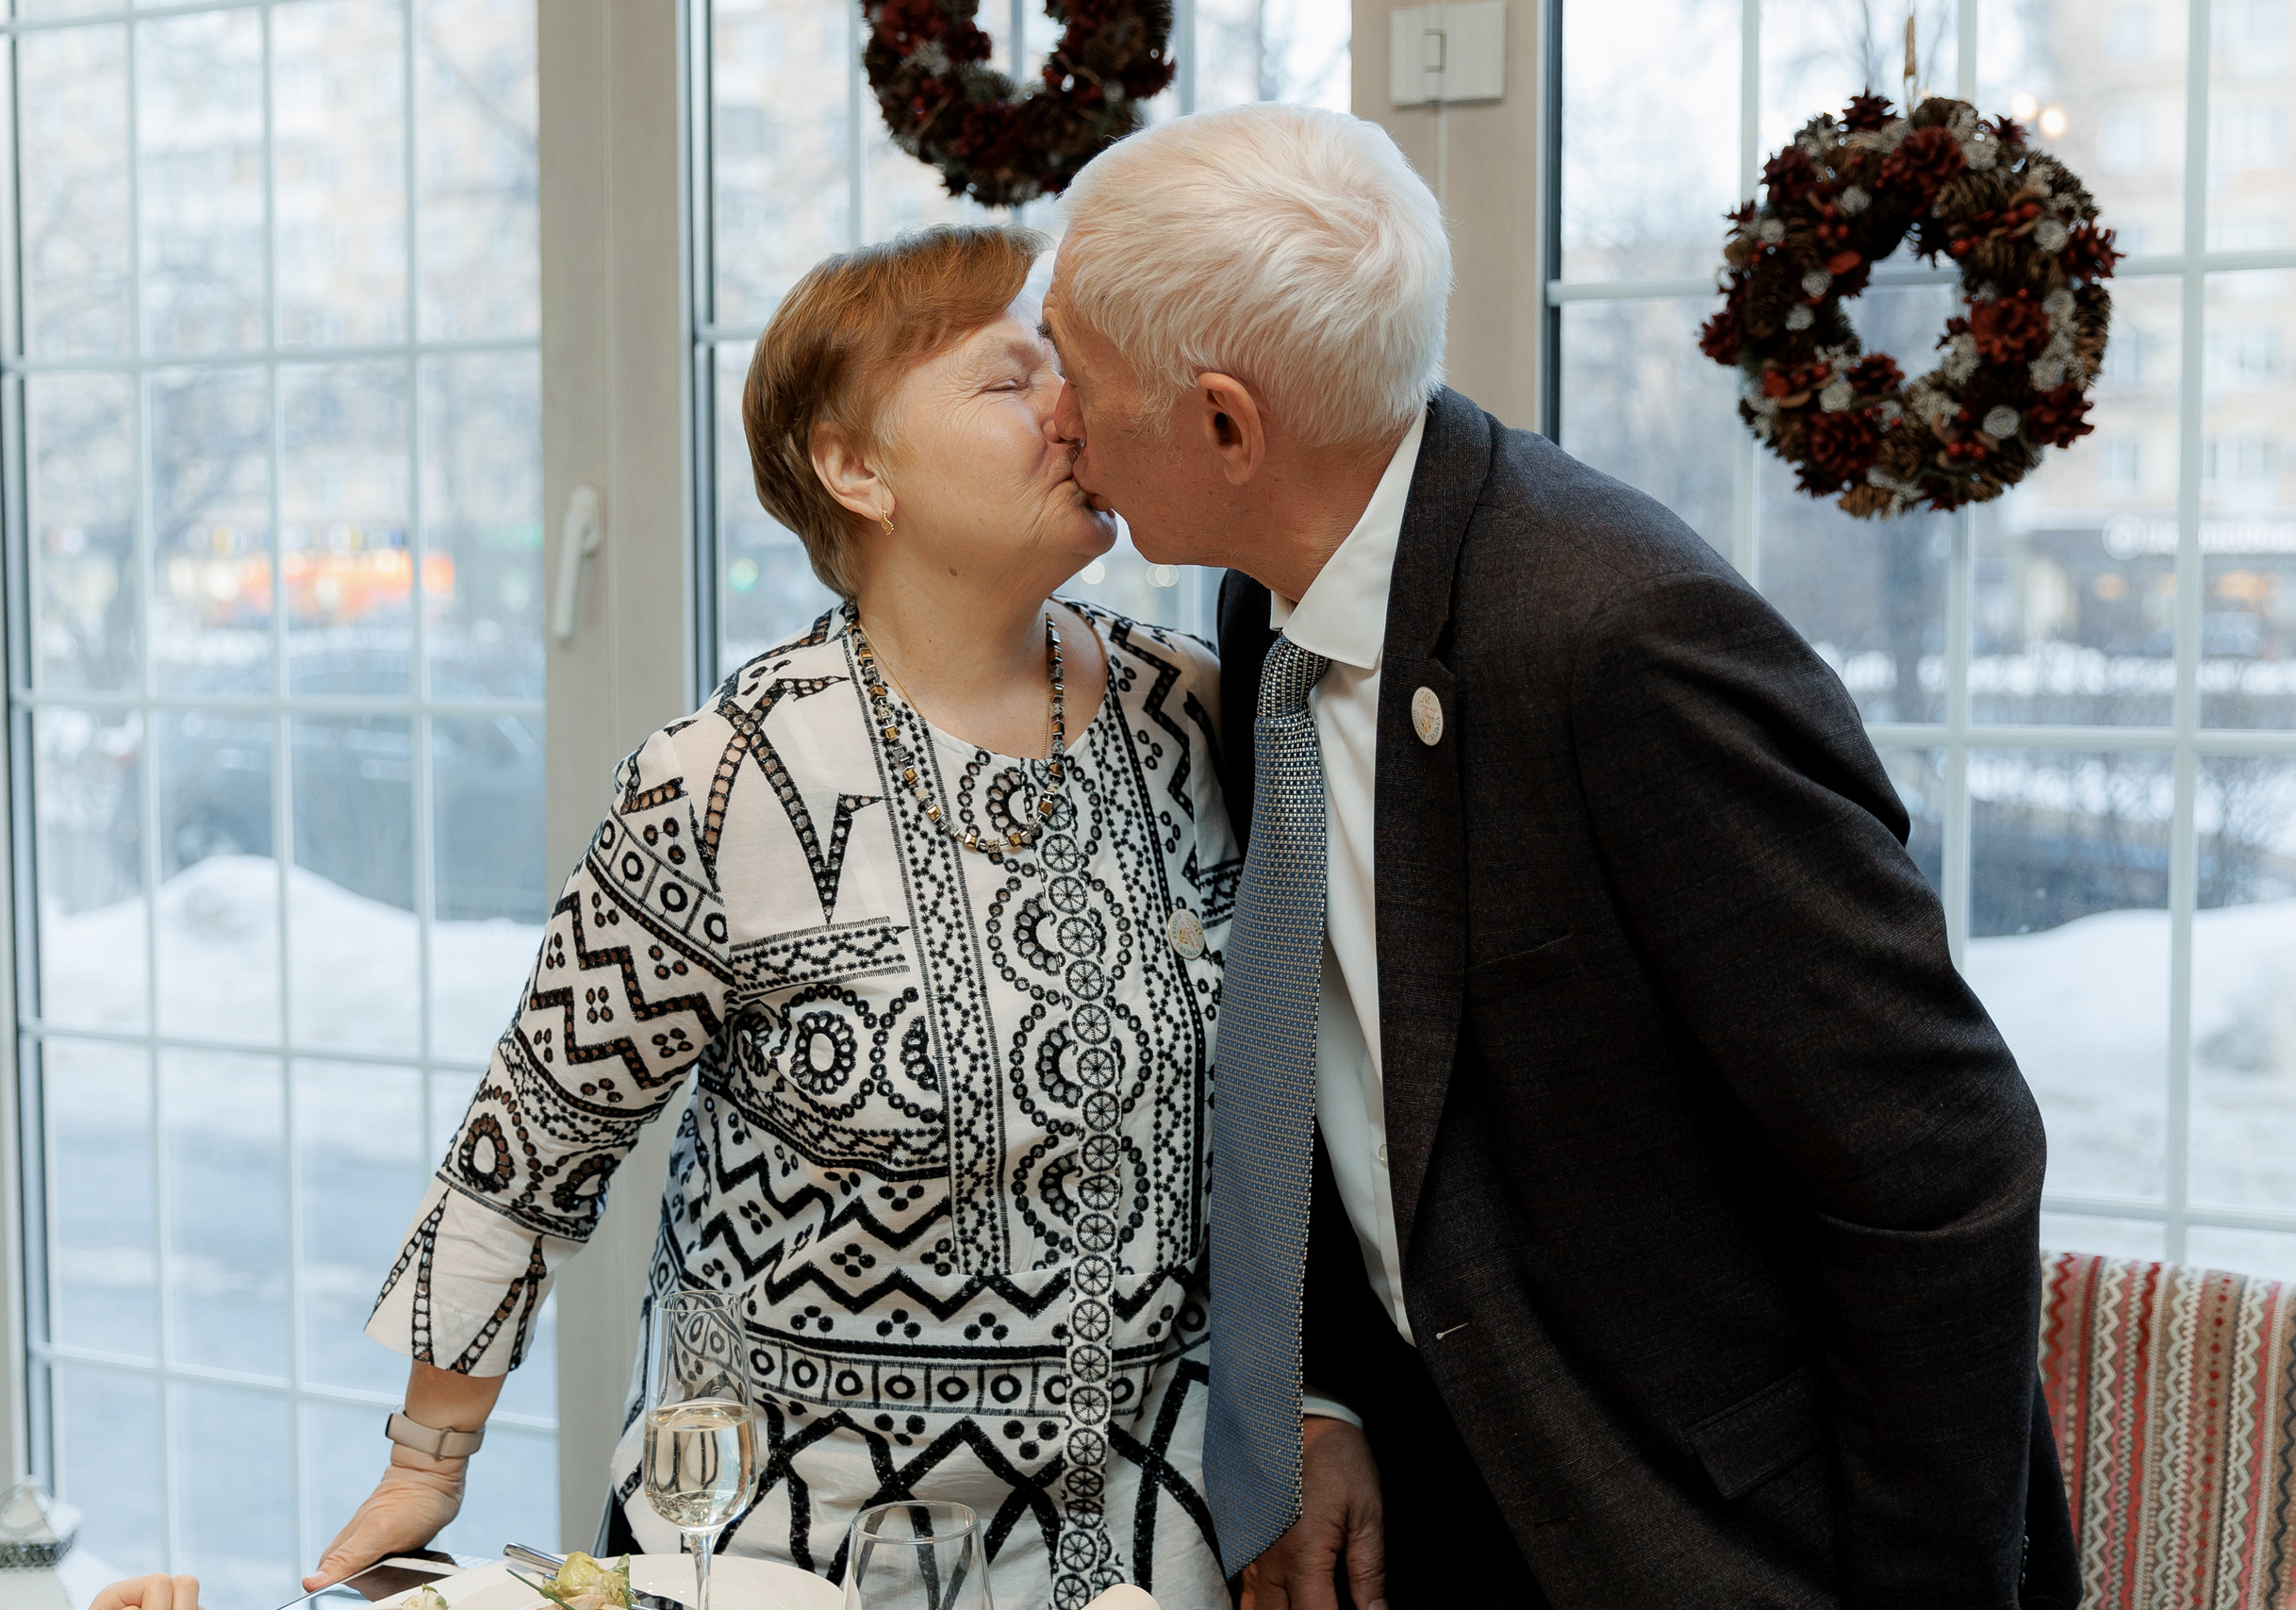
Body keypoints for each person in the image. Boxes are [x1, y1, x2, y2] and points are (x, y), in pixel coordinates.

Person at [1039, 102, 2084, 1609]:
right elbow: (1329, 1043)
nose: (1056, 416)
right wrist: (1323, 1394)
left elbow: (1941, 1164)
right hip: (1449, 1481)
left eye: (1074, 368)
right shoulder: (1275, 603)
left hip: (1712, 1534)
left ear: (1224, 424)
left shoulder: (1622, 638)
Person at [308, 223, 1237, 1610]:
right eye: (1005, 381)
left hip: (1144, 1530)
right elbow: (529, 1150)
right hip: (782, 1545)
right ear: (854, 468)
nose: (1070, 408)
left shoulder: (1200, 710)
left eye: (1065, 371)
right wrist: (427, 1465)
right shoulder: (720, 779)